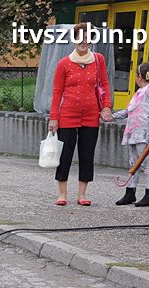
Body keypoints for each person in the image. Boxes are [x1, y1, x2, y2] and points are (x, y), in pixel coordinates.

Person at [48, 22, 112, 207]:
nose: (83, 41)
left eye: (87, 37)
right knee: (65, 155)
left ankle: (82, 195)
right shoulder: (64, 63)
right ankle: (62, 194)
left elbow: (105, 85)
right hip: (67, 115)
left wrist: (106, 106)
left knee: (87, 154)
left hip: (91, 116)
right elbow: (57, 91)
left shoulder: (99, 60)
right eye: (79, 37)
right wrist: (54, 117)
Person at [109, 62, 149, 208]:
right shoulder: (140, 92)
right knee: (133, 163)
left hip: (145, 133)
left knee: (147, 164)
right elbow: (129, 111)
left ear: (140, 76)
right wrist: (112, 116)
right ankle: (130, 192)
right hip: (133, 132)